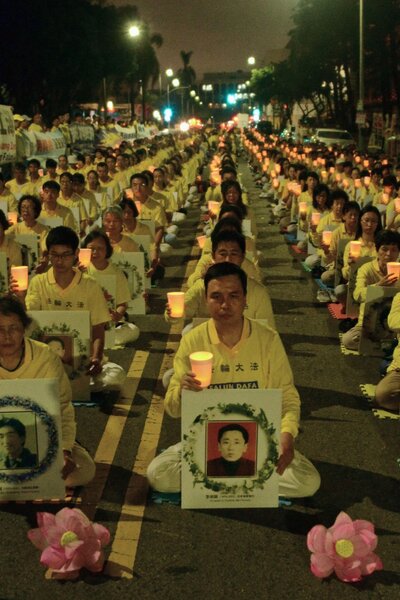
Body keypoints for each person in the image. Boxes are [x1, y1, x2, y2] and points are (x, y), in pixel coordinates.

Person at [147, 263, 320, 498]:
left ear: (245, 299)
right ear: (206, 300)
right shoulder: (193, 341)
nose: (225, 304)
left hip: (259, 442)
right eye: (216, 296)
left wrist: (287, 435)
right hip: (206, 442)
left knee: (308, 482)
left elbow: (287, 396)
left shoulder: (267, 339)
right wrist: (182, 391)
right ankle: (247, 482)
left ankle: (217, 481)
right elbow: (173, 409)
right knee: (158, 475)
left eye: (233, 296)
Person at [0, 297, 95, 486]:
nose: (7, 336)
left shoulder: (45, 357)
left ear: (25, 328)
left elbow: (63, 407)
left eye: (14, 328)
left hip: (42, 438)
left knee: (82, 472)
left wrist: (65, 450)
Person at [12, 225, 110, 376]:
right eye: (55, 255)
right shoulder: (38, 282)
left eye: (65, 255)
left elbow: (98, 329)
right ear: (47, 255)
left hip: (82, 360)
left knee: (114, 376)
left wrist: (96, 358)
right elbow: (29, 319)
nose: (59, 261)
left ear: (76, 254)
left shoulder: (90, 285)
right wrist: (20, 298)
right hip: (44, 360)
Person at [342, 230, 400, 350]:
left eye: (394, 250)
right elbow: (357, 295)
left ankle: (387, 345)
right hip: (369, 322)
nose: (389, 254)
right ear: (377, 250)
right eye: (384, 249)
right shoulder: (367, 269)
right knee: (348, 340)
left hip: (395, 322)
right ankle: (388, 347)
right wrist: (377, 286)